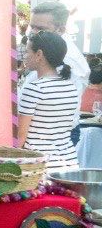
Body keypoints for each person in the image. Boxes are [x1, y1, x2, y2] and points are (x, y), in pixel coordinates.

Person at [17, 31, 80, 170]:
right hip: (69, 162)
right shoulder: (70, 87)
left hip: (39, 165)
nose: (25, 56)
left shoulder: (34, 88)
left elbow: (21, 136)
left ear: (39, 54)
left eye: (27, 51)